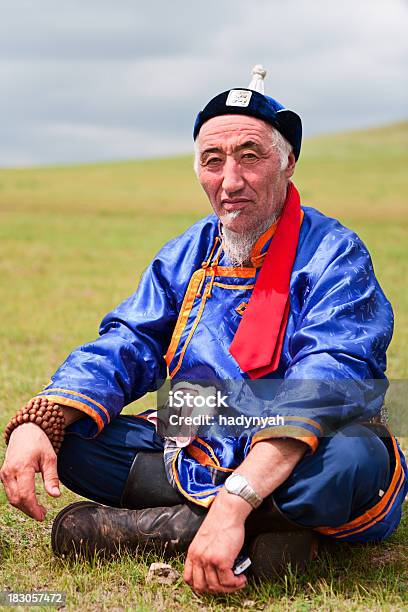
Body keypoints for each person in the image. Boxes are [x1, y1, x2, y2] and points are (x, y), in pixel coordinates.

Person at [1, 66, 407, 595]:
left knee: (352, 460)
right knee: (75, 440)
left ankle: (182, 525)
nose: (229, 181)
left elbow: (329, 379)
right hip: (201, 432)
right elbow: (129, 340)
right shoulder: (190, 251)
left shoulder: (335, 254)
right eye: (212, 161)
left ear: (287, 163)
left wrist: (236, 497)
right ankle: (266, 534)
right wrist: (45, 417)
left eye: (250, 157)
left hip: (300, 445)